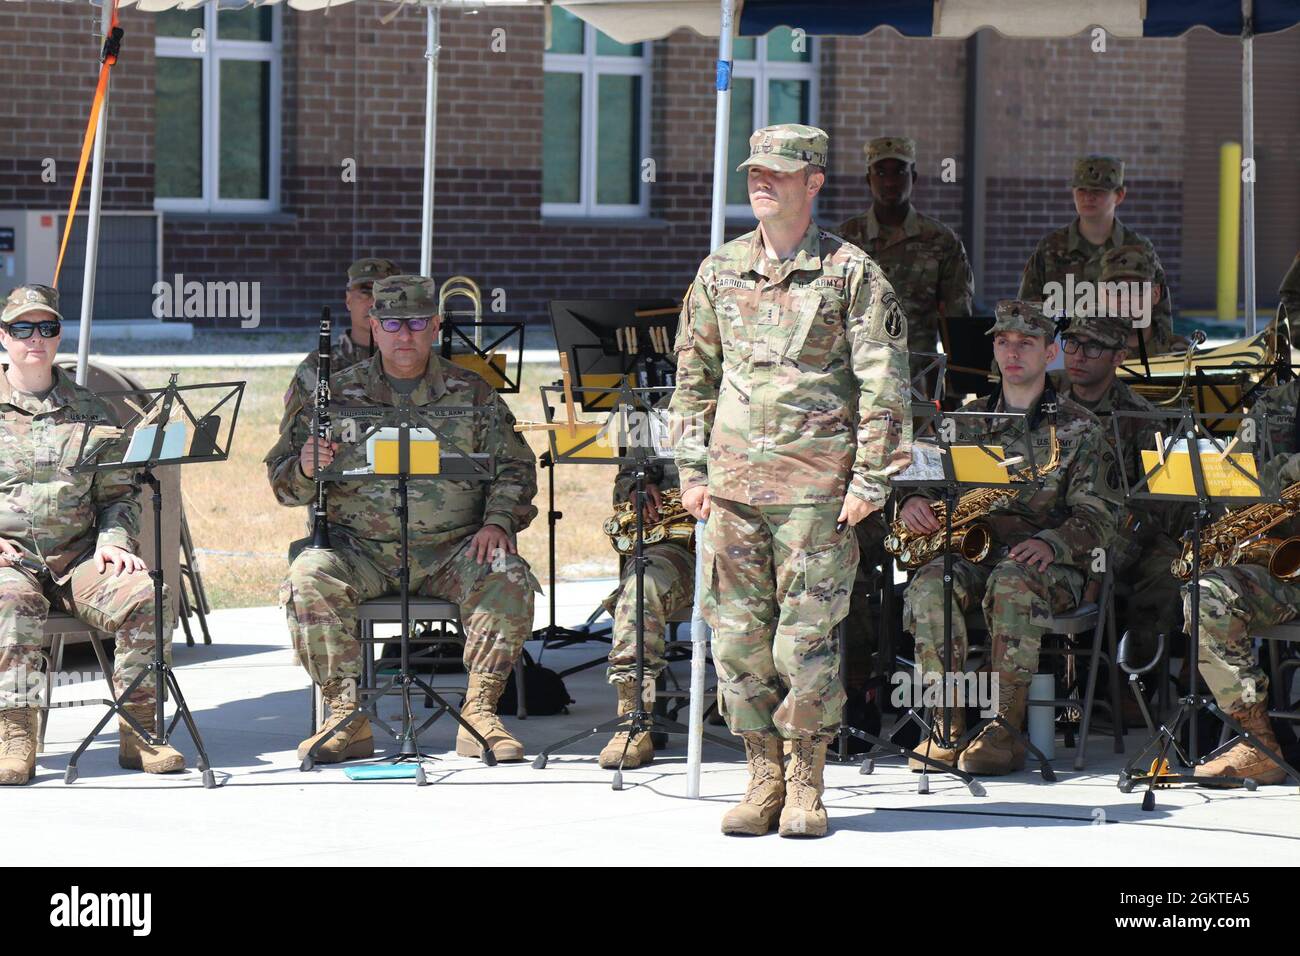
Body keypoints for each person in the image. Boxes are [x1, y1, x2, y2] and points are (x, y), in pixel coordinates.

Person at [671, 124, 911, 838]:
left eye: (779, 172)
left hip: (816, 497)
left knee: (802, 644)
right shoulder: (719, 270)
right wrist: (691, 472)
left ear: (814, 183)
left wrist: (871, 479)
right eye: (755, 171)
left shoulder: (851, 274)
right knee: (738, 643)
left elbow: (885, 383)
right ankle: (762, 776)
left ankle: (806, 779)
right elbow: (691, 381)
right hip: (733, 491)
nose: (761, 182)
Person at [265, 275, 541, 764]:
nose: (404, 334)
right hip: (359, 551)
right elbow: (284, 485)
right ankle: (345, 716)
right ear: (373, 325)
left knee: (509, 573)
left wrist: (498, 521)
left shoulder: (472, 392)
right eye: (391, 322)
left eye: (416, 322)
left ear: (435, 325)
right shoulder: (335, 394)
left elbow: (515, 467)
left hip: (452, 550)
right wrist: (306, 467)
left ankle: (479, 713)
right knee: (308, 576)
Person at [898, 300, 1120, 775]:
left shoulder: (1080, 428)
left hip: (1048, 566)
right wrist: (912, 502)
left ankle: (1003, 728)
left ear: (1050, 352)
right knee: (929, 583)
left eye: (1026, 342)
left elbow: (1100, 515)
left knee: (1012, 583)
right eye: (1002, 341)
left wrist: (1053, 543)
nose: (1012, 351)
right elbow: (925, 480)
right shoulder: (965, 421)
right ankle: (945, 722)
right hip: (975, 554)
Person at [0, 284, 181, 785]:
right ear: (3, 336)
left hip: (80, 559)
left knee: (147, 593)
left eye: (47, 328)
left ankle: (139, 729)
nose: (35, 338)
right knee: (11, 599)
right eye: (22, 328)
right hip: (10, 561)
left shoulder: (91, 408)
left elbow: (119, 495)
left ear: (59, 336)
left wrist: (114, 542)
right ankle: (15, 735)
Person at [1050, 307, 1184, 685]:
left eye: (1093, 348)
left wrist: (1112, 545)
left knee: (1166, 566)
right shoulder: (1044, 401)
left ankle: (1133, 681)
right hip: (1052, 522)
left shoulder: (1141, 417)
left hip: (1121, 530)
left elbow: (1158, 501)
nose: (1077, 355)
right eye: (1072, 343)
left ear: (1118, 357)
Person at [1179, 377, 1300, 785]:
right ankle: (1259, 742)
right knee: (1206, 596)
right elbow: (1240, 488)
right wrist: (1286, 472)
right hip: (1288, 566)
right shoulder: (1275, 405)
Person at [837, 135, 974, 374]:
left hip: (919, 380)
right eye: (881, 173)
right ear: (868, 179)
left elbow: (957, 322)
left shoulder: (941, 241)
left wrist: (954, 389)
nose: (890, 182)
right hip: (856, 378)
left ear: (914, 177)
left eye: (900, 172)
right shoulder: (844, 240)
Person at [1019, 155, 1178, 356]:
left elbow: (1160, 320)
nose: (1088, 197)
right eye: (1082, 190)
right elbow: (1026, 315)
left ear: (1119, 195)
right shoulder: (1050, 248)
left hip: (1127, 364)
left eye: (1098, 191)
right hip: (1065, 363)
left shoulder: (1139, 248)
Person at [596, 444, 694, 769]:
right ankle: (635, 720)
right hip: (678, 545)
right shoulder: (660, 411)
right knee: (640, 588)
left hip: (752, 541)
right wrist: (639, 487)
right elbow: (626, 479)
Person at [280, 257, 401, 422]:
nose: (374, 303)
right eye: (365, 292)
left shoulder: (415, 361)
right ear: (348, 299)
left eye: (385, 294)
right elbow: (292, 439)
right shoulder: (316, 366)